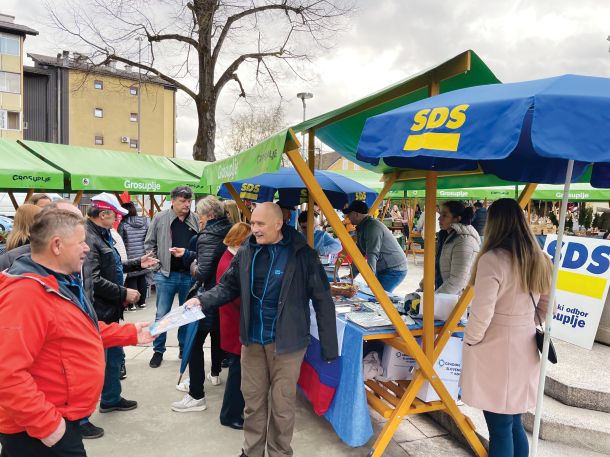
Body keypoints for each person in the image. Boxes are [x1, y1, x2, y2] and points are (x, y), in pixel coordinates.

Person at [184, 202, 338, 457]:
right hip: (252, 341)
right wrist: (202, 299)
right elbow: (227, 286)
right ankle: (252, 450)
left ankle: (279, 452)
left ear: (278, 224)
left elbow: (323, 300)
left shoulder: (303, 255)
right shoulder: (247, 251)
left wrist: (329, 348)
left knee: (282, 404)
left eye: (260, 224)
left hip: (287, 345)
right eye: (252, 223)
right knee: (253, 403)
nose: (253, 229)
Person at [0, 208, 156, 457]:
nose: (86, 248)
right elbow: (6, 373)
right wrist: (47, 425)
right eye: (81, 242)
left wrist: (130, 333)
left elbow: (75, 332)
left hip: (57, 420)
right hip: (36, 430)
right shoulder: (26, 294)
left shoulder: (60, 281)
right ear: (57, 245)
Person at [460, 198, 552, 457]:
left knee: (499, 428)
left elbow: (482, 312)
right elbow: (547, 305)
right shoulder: (541, 257)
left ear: (494, 224)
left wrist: (471, 341)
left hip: (495, 349)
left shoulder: (493, 259)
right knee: (513, 423)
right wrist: (526, 321)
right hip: (525, 346)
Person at [83, 193, 159, 428]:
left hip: (110, 310)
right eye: (115, 214)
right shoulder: (89, 238)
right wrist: (123, 292)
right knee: (93, 367)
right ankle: (80, 420)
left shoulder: (102, 235)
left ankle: (111, 398)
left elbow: (111, 266)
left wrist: (137, 263)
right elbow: (93, 279)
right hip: (98, 312)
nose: (118, 219)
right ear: (103, 214)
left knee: (114, 359)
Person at [170, 196, 232, 412]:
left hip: (207, 297)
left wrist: (192, 263)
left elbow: (203, 271)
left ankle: (196, 394)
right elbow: (213, 258)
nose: (198, 218)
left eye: (200, 214)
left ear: (209, 215)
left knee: (194, 345)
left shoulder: (207, 236)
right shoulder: (227, 229)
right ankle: (209, 376)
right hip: (223, 297)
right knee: (214, 339)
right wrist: (188, 253)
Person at [144, 185, 199, 368]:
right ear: (173, 201)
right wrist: (157, 267)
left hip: (189, 276)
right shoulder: (160, 218)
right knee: (162, 314)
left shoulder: (196, 219)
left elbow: (200, 246)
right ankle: (158, 350)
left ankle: (184, 349)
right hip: (166, 275)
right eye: (183, 200)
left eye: (189, 200)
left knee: (186, 315)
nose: (187, 204)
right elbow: (149, 243)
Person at [216, 222, 251, 430]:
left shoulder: (230, 257)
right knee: (237, 372)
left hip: (233, 321)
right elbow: (235, 295)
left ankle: (233, 411)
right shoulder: (231, 261)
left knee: (238, 371)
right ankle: (229, 414)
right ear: (240, 242)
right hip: (234, 323)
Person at [343, 200, 408, 293]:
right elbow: (359, 255)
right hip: (384, 267)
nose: (348, 217)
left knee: (379, 298)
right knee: (375, 295)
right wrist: (351, 276)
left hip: (394, 269)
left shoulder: (372, 227)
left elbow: (372, 255)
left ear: (356, 214)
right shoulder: (362, 227)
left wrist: (370, 281)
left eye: (349, 214)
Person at [433, 201, 481, 295]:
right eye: (440, 214)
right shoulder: (446, 236)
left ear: (457, 219)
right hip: (444, 296)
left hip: (455, 301)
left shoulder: (464, 241)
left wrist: (435, 299)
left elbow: (458, 281)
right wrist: (423, 286)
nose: (439, 218)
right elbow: (438, 266)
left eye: (444, 215)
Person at [118, 202, 150, 311]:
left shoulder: (123, 224)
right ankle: (142, 302)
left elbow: (120, 241)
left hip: (129, 255)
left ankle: (132, 304)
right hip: (143, 255)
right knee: (142, 278)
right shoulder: (145, 222)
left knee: (132, 278)